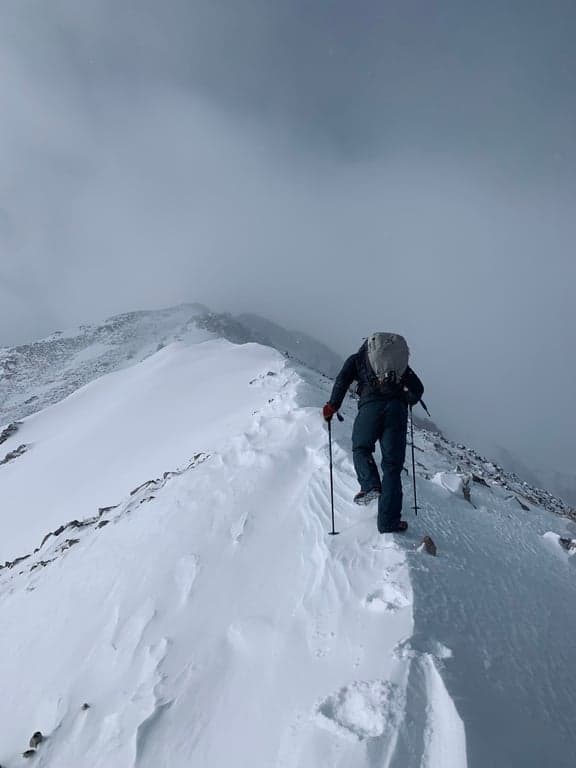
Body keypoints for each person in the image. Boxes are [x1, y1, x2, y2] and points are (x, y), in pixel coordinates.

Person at [323, 333, 424, 534]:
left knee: (361, 447)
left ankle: (370, 484)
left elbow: (342, 380)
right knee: (392, 467)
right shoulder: (397, 365)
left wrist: (332, 406)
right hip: (396, 411)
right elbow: (418, 389)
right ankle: (388, 523)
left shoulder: (358, 359)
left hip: (370, 408)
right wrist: (406, 399)